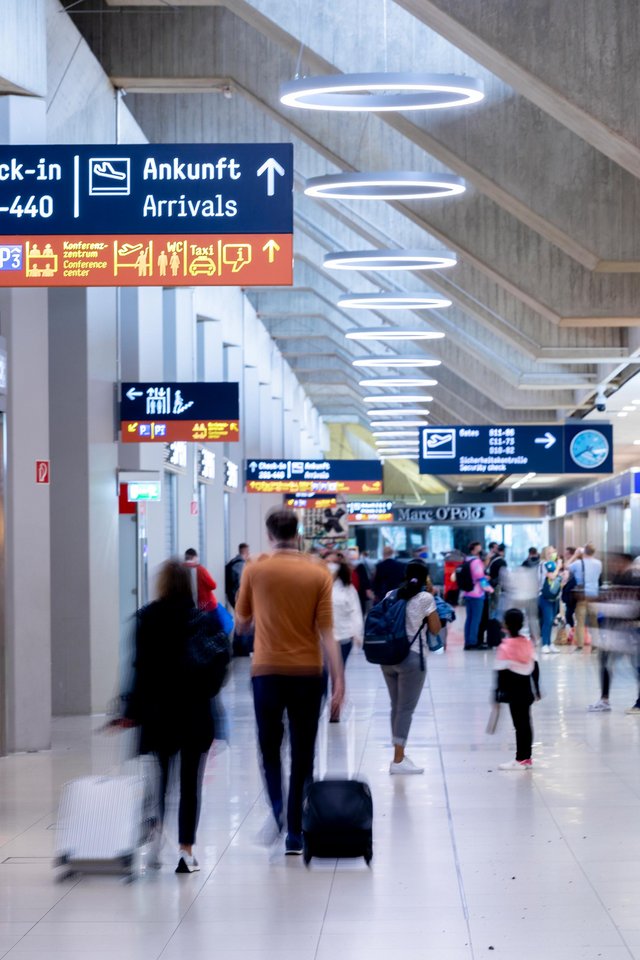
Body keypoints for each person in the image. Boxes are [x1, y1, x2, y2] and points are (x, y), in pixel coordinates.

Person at [234, 508, 344, 856]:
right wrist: (339, 679)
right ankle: (296, 831)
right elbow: (327, 632)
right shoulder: (318, 571)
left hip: (266, 672)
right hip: (308, 673)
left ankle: (279, 810)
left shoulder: (255, 568)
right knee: (303, 752)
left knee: (269, 748)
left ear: (269, 535)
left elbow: (241, 624)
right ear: (297, 533)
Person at [123, 560, 219, 873]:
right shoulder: (201, 619)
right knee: (190, 785)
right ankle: (186, 851)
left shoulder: (146, 618)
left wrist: (130, 711)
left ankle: (154, 843)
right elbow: (219, 665)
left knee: (161, 781)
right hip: (194, 713)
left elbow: (138, 669)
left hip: (158, 713)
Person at [379, 560, 441, 774]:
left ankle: (400, 755)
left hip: (387, 658)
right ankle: (398, 760)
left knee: (396, 707)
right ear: (425, 577)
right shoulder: (425, 598)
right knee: (405, 710)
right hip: (412, 659)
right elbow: (435, 629)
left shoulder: (390, 595)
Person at [494, 608, 541, 771]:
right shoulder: (527, 643)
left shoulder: (505, 646)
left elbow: (500, 673)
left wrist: (497, 693)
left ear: (505, 625)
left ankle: (520, 759)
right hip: (527, 689)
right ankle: (526, 758)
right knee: (526, 723)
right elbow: (535, 666)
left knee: (519, 724)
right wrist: (537, 688)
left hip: (513, 692)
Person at [326, 551, 364, 721]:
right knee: (325, 675)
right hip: (324, 639)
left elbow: (355, 611)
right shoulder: (320, 587)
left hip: (342, 638)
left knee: (337, 674)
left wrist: (357, 634)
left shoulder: (348, 588)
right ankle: (327, 706)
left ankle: (335, 711)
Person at [569, 543, 602, 650]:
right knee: (594, 621)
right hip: (594, 596)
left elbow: (566, 566)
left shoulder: (578, 563)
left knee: (580, 621)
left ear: (584, 551)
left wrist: (575, 555)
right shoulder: (598, 563)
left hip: (582, 596)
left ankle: (580, 645)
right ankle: (595, 644)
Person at [462, 541, 492, 650]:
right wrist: (490, 589)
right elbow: (481, 579)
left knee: (469, 618)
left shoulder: (467, 561)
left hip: (467, 593)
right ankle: (473, 642)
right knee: (476, 619)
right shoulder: (477, 562)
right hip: (477, 594)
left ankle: (467, 641)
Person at [539, 559, 562, 653]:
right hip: (545, 600)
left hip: (554, 600)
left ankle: (549, 643)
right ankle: (544, 644)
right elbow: (552, 576)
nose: (550, 573)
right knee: (547, 621)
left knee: (551, 621)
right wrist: (559, 566)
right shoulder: (544, 567)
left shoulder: (556, 572)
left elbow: (557, 578)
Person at [225, 543, 250, 608]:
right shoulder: (240, 564)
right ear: (246, 551)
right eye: (248, 551)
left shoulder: (233, 561)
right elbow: (241, 582)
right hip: (236, 596)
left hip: (232, 594)